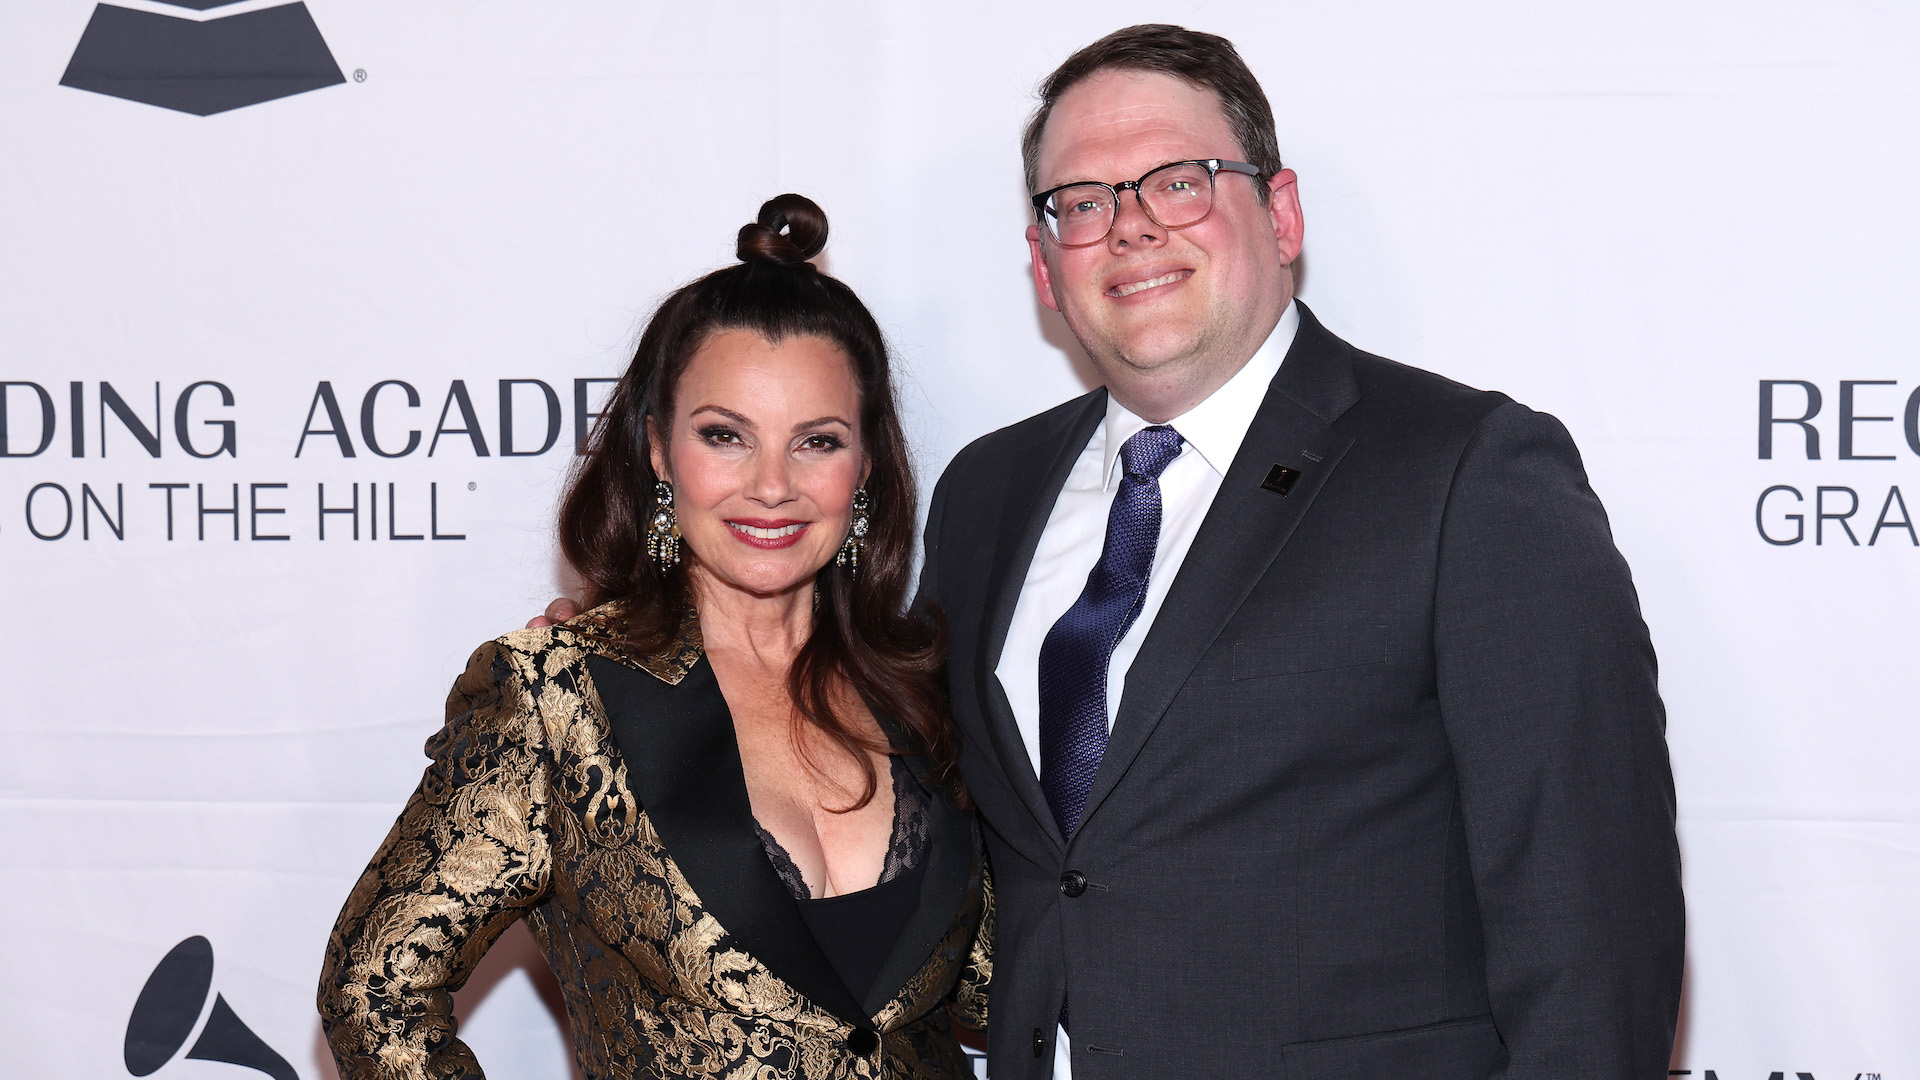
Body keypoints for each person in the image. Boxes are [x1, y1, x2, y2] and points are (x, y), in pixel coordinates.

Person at [539, 24, 1686, 1080]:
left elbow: (1595, 924)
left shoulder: (1464, 473)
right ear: (1045, 266)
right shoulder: (992, 492)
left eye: (1179, 183)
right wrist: (653, 651)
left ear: (1280, 216)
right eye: (1079, 202)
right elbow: (895, 777)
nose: (1130, 224)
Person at [320, 195, 990, 1080]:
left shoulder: (927, 689)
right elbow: (375, 992)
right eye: (726, 437)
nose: (772, 486)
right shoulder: (561, 694)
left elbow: (995, 984)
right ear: (660, 453)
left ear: (865, 465)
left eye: (817, 442)